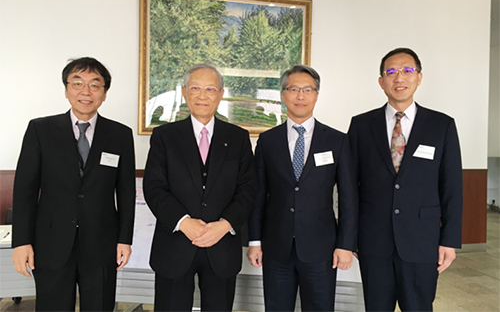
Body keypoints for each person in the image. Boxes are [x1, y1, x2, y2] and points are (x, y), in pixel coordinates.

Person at [12, 57, 136, 311]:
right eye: (77, 83)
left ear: (104, 93)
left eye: (94, 85)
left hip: (102, 244)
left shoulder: (120, 135)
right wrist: (21, 242)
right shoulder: (40, 130)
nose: (85, 92)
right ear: (66, 90)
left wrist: (125, 239)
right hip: (51, 243)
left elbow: (125, 192)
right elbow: (25, 190)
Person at [348, 48, 463, 311]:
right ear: (381, 82)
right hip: (374, 241)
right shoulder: (361, 125)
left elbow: (452, 187)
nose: (399, 78)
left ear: (419, 77)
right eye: (391, 72)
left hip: (422, 241)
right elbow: (349, 187)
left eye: (407, 70)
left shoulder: (441, 125)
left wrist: (450, 240)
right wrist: (350, 237)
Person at [143, 63, 256, 312]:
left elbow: (248, 190)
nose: (202, 95)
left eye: (210, 89)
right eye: (195, 88)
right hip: (175, 244)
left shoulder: (238, 137)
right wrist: (184, 222)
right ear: (184, 92)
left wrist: (225, 225)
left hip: (222, 246)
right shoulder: (165, 136)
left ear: (221, 94)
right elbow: (154, 187)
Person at [247, 65, 358, 311]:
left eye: (307, 90)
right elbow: (257, 196)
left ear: (317, 95)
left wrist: (346, 244)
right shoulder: (268, 141)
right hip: (276, 247)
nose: (301, 96)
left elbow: (349, 197)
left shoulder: (337, 141)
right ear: (283, 94)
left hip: (322, 249)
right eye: (294, 89)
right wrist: (254, 241)